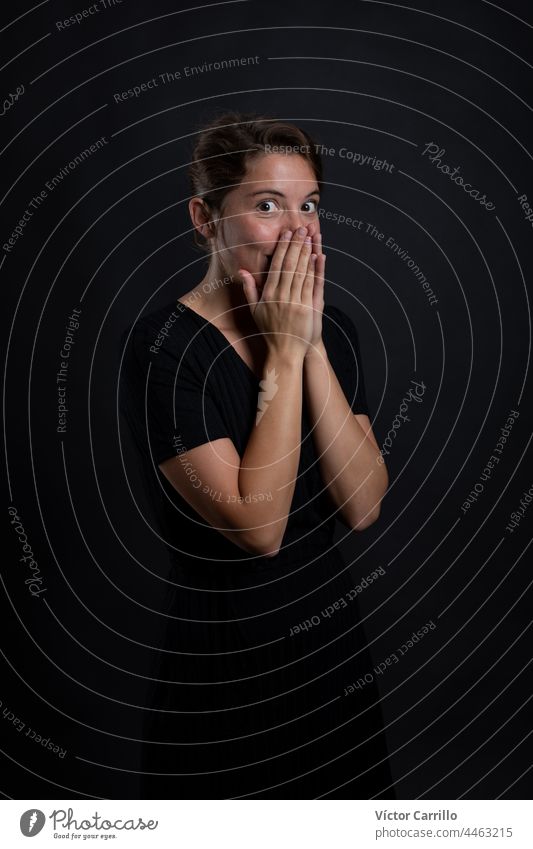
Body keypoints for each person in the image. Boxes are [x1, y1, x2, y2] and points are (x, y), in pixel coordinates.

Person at [120, 110, 396, 799]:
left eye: (309, 205)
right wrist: (279, 352)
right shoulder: (166, 348)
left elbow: (363, 505)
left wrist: (310, 345)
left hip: (335, 664)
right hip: (224, 677)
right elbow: (259, 527)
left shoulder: (331, 328)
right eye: (267, 205)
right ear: (204, 217)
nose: (298, 229)